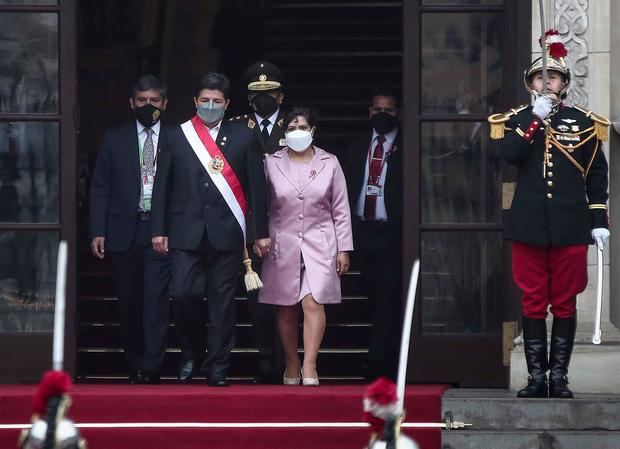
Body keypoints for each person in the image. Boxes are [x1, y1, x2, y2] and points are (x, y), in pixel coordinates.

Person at [488, 30, 610, 398]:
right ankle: (536, 377)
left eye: (552, 76)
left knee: (566, 301)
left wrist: (599, 221)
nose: (546, 82)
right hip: (529, 227)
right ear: (530, 84)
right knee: (532, 300)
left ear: (564, 83)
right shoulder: (518, 119)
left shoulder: (586, 122)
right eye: (540, 77)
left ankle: (560, 377)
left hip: (571, 225)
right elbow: (508, 156)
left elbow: (596, 175)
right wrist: (534, 121)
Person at [150, 72, 269, 386]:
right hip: (185, 231)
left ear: (227, 104)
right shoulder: (177, 135)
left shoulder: (244, 137)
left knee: (223, 304)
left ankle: (217, 366)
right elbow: (162, 186)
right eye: (205, 101)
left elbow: (257, 189)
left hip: (228, 233)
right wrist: (158, 229)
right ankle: (191, 353)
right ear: (195, 102)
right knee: (184, 294)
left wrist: (259, 232)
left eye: (217, 102)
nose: (211, 106)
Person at [257, 107, 353, 386]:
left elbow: (341, 208)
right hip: (282, 241)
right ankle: (292, 361)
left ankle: (310, 363)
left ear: (313, 130)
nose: (296, 132)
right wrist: (258, 237)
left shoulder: (330, 162)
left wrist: (343, 248)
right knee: (286, 306)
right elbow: (262, 205)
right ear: (284, 133)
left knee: (313, 301)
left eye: (302, 127)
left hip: (320, 241)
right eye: (290, 128)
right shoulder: (270, 162)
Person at [89, 75, 171, 384]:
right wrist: (98, 230)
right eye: (141, 101)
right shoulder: (114, 137)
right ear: (131, 103)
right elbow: (100, 188)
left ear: (164, 104)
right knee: (129, 301)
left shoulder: (176, 138)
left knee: (156, 301)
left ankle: (152, 366)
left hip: (160, 231)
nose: (147, 106)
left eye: (154, 101)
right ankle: (134, 362)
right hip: (124, 230)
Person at [229, 61, 287, 383]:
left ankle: (290, 359)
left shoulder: (294, 128)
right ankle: (267, 357)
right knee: (258, 298)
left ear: (281, 96)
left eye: (271, 93)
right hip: (250, 225)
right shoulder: (236, 128)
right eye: (257, 95)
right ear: (249, 99)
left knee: (290, 296)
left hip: (289, 222)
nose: (264, 100)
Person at [345, 89, 403, 381]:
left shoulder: (407, 147)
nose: (382, 115)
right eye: (378, 109)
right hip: (362, 232)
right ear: (369, 112)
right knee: (368, 298)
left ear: (398, 114)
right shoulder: (356, 147)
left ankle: (380, 364)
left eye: (389, 110)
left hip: (392, 235)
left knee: (387, 301)